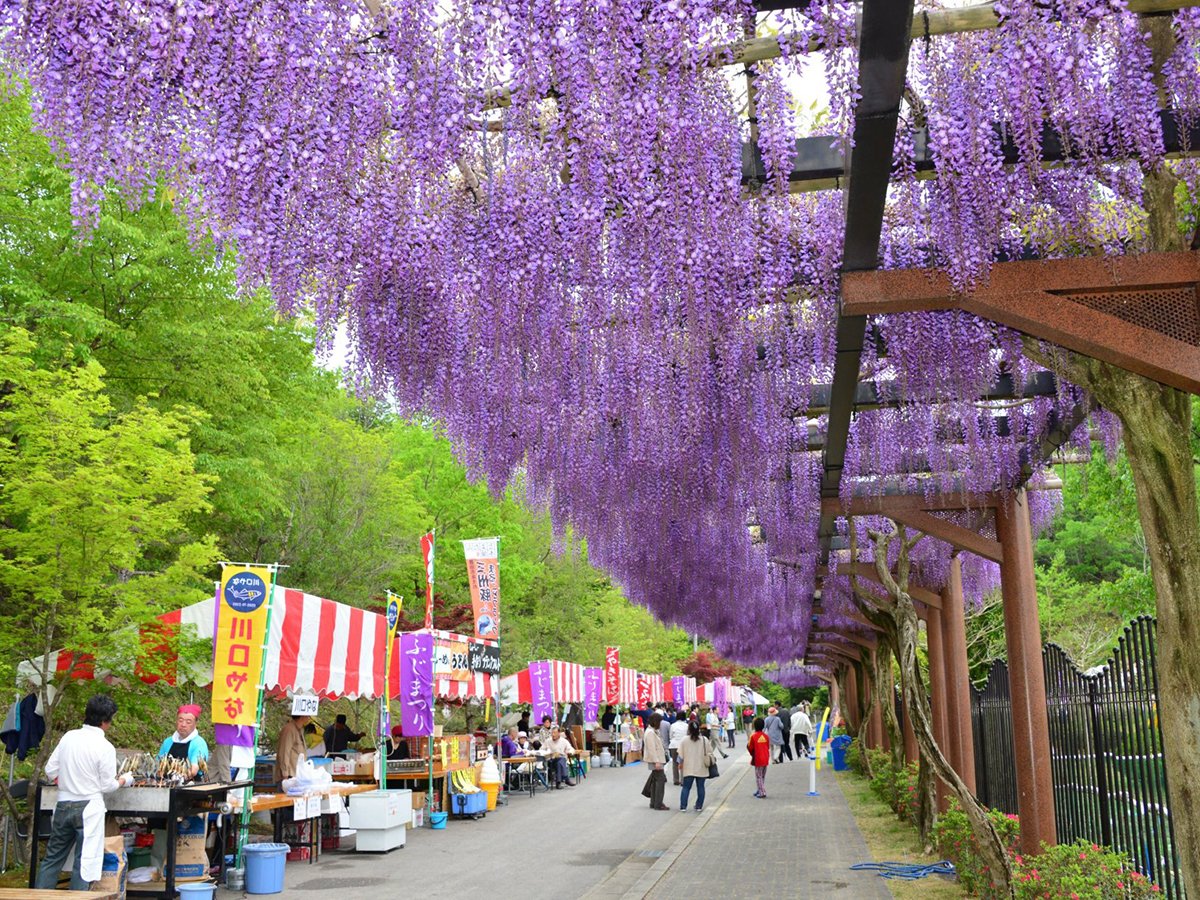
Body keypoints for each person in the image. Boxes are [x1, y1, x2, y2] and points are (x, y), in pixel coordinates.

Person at [35, 694, 136, 889]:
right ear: (106, 721)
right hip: (89, 808)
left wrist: (67, 781)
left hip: (64, 804)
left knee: (52, 859)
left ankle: (39, 895)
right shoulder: (105, 747)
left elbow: (50, 771)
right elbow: (107, 786)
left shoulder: (69, 737)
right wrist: (125, 780)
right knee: (84, 862)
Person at [155, 704, 210, 780]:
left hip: (191, 785)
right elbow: (158, 764)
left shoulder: (199, 743)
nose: (183, 725)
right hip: (165, 784)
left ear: (195, 724)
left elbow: (194, 769)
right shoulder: (168, 742)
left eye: (188, 722)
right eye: (180, 720)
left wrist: (179, 778)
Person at [677, 720, 712, 812]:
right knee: (701, 787)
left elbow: (680, 755)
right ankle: (699, 806)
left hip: (688, 767)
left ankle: (683, 806)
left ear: (689, 729)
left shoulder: (684, 740)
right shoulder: (704, 740)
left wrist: (680, 764)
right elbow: (710, 752)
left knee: (686, 787)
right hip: (701, 767)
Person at [641, 713, 669, 810]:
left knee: (655, 781)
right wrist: (656, 761)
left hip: (657, 759)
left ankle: (654, 802)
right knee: (660, 781)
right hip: (656, 760)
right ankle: (658, 803)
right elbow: (652, 748)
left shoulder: (651, 731)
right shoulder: (650, 733)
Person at [274, 713, 311, 784]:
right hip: (289, 776)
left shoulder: (300, 729)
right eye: (308, 715)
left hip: (297, 775)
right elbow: (284, 752)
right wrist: (285, 774)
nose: (309, 717)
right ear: (302, 716)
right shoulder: (289, 729)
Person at [748, 716, 771, 798]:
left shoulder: (753, 736)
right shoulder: (766, 736)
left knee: (758, 777)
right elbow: (768, 747)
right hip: (766, 758)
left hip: (758, 759)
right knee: (762, 776)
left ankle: (762, 792)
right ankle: (759, 789)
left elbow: (750, 747)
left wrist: (752, 754)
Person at [667, 714, 689, 786]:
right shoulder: (686, 725)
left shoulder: (673, 725)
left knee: (674, 763)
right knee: (683, 762)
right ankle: (683, 780)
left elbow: (670, 736)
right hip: (683, 745)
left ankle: (676, 780)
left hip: (674, 745)